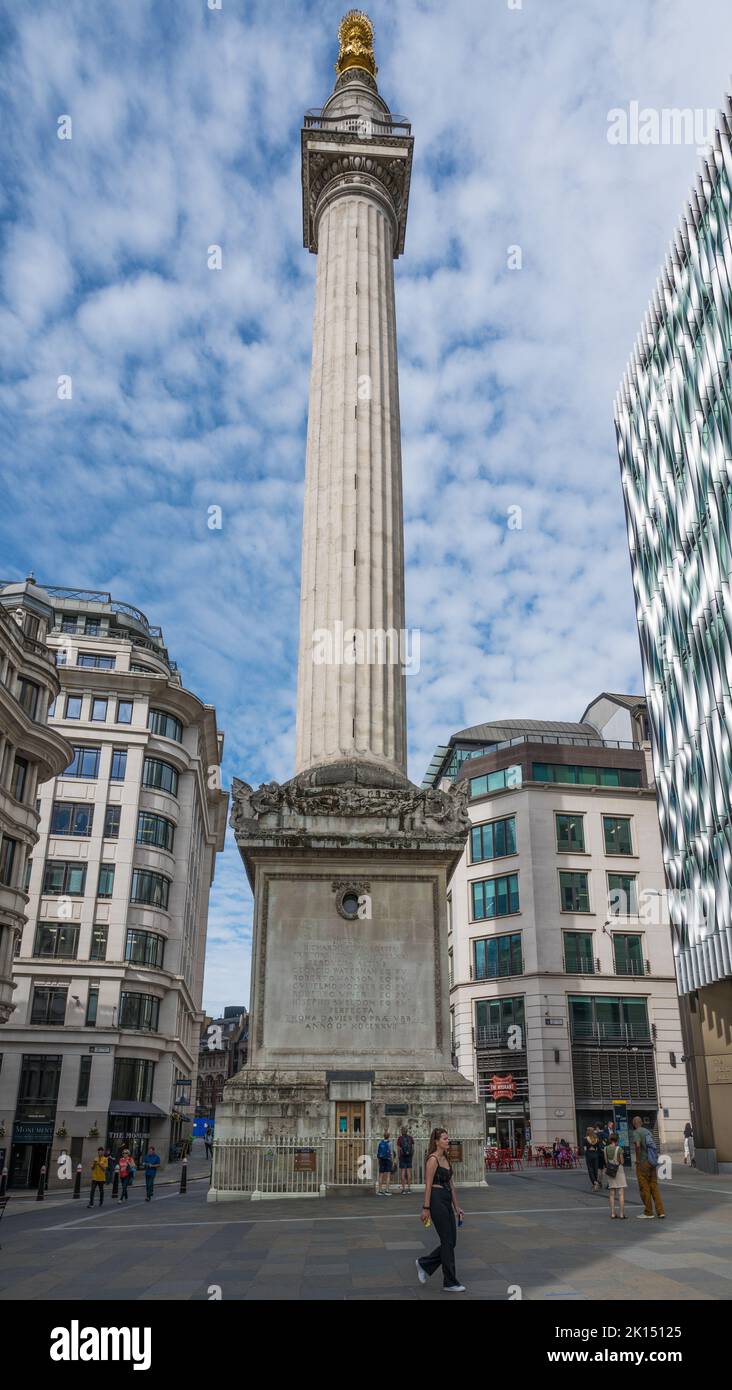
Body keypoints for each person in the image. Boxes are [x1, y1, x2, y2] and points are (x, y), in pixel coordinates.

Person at [416, 1128, 465, 1292]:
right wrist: (426, 1208)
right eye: (444, 1138)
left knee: (452, 1242)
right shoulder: (433, 1159)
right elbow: (428, 1185)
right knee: (447, 1240)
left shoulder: (445, 1158)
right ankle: (450, 1282)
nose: (447, 1141)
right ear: (436, 1141)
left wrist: (456, 1206)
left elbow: (451, 1185)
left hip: (446, 1198)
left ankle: (424, 1263)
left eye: (447, 1138)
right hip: (436, 1199)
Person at [631, 1115, 665, 1219]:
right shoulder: (648, 1131)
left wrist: (637, 1159)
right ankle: (660, 1211)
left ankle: (648, 1212)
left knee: (644, 1187)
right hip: (652, 1162)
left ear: (634, 1124)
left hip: (643, 1163)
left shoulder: (637, 1132)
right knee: (654, 1186)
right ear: (641, 1122)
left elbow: (637, 1145)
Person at [604, 1134, 627, 1219]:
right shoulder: (619, 1149)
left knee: (612, 1193)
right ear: (617, 1140)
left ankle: (613, 1213)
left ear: (610, 1140)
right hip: (619, 1170)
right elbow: (622, 1161)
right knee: (621, 1193)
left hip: (610, 1171)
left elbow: (606, 1161)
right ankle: (621, 1214)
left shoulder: (605, 1149)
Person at [397, 1126, 414, 1193]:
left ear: (401, 1131)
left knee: (403, 1172)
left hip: (402, 1157)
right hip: (409, 1156)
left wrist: (399, 1157)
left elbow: (398, 1149)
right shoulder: (410, 1138)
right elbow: (413, 1148)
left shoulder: (400, 1138)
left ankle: (403, 1189)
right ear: (407, 1131)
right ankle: (409, 1188)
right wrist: (411, 1156)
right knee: (409, 1172)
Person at [376, 1131, 394, 1195]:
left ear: (384, 1136)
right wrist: (393, 1161)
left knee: (381, 1175)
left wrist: (379, 1160)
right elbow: (391, 1153)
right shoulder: (390, 1143)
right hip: (388, 1160)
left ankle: (380, 1190)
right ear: (388, 1136)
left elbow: (377, 1153)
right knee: (388, 1175)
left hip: (381, 1160)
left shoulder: (380, 1142)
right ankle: (387, 1190)